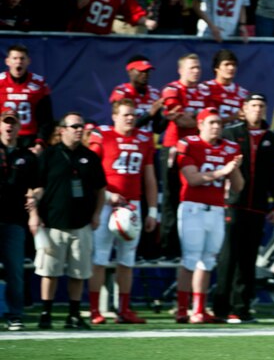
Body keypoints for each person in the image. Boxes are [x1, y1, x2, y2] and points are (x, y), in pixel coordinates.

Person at [213, 93, 274, 323]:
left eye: (261, 106)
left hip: (258, 206)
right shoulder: (231, 133)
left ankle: (241, 308)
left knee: (248, 258)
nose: (257, 109)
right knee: (228, 257)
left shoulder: (272, 139)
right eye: (253, 105)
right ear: (244, 109)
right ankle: (220, 309)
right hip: (232, 204)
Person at [31, 112, 107, 329]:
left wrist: (96, 214)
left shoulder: (90, 157)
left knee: (78, 272)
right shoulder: (48, 155)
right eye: (74, 126)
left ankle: (73, 314)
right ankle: (46, 314)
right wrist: (34, 208)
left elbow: (100, 189)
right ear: (62, 129)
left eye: (81, 126)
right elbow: (37, 186)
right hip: (53, 223)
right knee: (49, 272)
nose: (79, 130)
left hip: (81, 224)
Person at [87, 99, 158, 324]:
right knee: (99, 258)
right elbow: (90, 173)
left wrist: (153, 211)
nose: (130, 118)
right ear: (115, 116)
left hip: (132, 205)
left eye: (133, 115)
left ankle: (124, 310)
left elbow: (149, 177)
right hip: (106, 204)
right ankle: (95, 310)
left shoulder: (144, 139)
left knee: (127, 260)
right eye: (126, 114)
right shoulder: (102, 136)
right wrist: (107, 195)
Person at [175, 107, 244, 323]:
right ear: (200, 125)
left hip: (216, 209)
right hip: (193, 207)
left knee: (207, 260)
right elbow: (192, 179)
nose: (216, 127)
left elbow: (238, 186)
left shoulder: (229, 148)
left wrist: (233, 169)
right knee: (190, 258)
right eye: (212, 122)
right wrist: (222, 171)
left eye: (219, 123)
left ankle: (199, 309)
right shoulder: (189, 144)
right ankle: (181, 309)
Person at [159, 53, 209, 262]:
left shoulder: (205, 91)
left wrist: (199, 121)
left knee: (193, 199)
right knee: (171, 199)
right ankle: (168, 250)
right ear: (181, 70)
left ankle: (190, 248)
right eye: (191, 67)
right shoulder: (172, 89)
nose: (196, 71)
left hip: (197, 149)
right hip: (174, 148)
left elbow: (211, 118)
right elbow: (181, 120)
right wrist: (203, 121)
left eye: (198, 67)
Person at [0, 110, 38, 331]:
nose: (9, 127)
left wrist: (34, 201)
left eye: (13, 123)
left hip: (14, 219)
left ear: (19, 127)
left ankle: (15, 314)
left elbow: (37, 185)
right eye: (5, 122)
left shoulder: (27, 155)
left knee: (15, 271)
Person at [0, 43, 54, 153]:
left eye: (22, 58)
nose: (19, 61)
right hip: (4, 136)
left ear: (28, 61)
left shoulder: (38, 84)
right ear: (7, 61)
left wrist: (40, 143)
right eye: (15, 58)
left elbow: (46, 118)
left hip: (29, 138)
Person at [109, 55, 164, 133]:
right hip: (126, 141)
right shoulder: (122, 92)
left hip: (147, 141)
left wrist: (166, 117)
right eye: (141, 71)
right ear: (130, 71)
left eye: (147, 71)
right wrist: (149, 114)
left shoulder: (155, 93)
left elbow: (157, 130)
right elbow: (120, 125)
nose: (145, 74)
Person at [202, 49, 249, 127]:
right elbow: (206, 119)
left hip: (236, 138)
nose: (231, 68)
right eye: (226, 64)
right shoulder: (205, 88)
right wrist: (232, 118)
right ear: (216, 68)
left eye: (233, 64)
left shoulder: (243, 93)